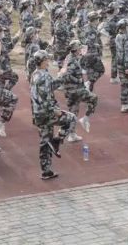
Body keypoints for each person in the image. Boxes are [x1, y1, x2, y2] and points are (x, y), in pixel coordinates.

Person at [30, 50, 76, 180]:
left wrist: (61, 74)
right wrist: (53, 110)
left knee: (45, 141)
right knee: (71, 119)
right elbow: (44, 97)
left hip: (38, 113)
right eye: (47, 59)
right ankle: (57, 141)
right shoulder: (44, 76)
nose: (48, 61)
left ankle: (46, 171)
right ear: (43, 61)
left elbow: (50, 87)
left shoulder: (35, 74)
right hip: (46, 113)